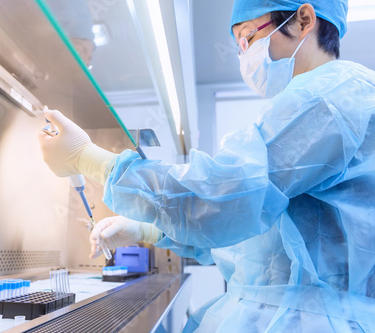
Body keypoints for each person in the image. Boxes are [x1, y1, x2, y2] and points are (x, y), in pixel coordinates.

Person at [39, 0, 375, 331]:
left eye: (249, 36)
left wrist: (87, 158)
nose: (243, 54)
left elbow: (225, 195)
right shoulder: (321, 97)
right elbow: (249, 237)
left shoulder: (329, 99)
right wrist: (148, 229)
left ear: (303, 19)